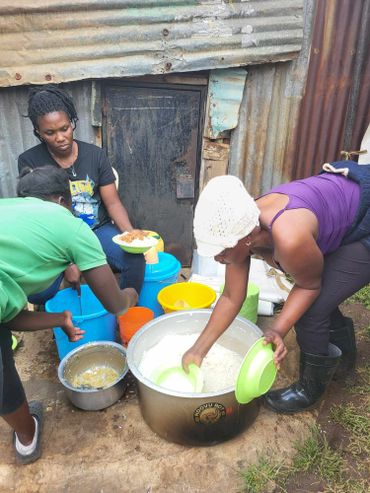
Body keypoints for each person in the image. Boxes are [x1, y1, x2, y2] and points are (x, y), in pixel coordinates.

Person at [182, 162, 370, 414]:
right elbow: (230, 296)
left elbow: (309, 286)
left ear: (247, 237)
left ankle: (309, 389)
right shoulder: (241, 227)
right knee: (326, 292)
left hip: (364, 218)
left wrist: (277, 329)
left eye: (220, 250)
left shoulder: (289, 237)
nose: (217, 258)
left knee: (311, 310)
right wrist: (197, 350)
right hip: (345, 208)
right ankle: (344, 359)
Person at [0, 166, 138, 464]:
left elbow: (6, 317)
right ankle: (26, 437)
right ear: (63, 201)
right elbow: (116, 306)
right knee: (3, 380)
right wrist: (131, 295)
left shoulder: (7, 209)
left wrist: (59, 319)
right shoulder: (72, 226)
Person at [18, 84, 145, 303]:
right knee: (38, 292)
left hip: (96, 230)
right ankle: (62, 318)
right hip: (55, 238)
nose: (60, 137)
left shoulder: (95, 155)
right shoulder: (30, 161)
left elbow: (113, 203)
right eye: (50, 132)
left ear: (73, 123)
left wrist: (131, 236)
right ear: (38, 132)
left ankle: (125, 313)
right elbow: (36, 217)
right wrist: (69, 262)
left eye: (64, 128)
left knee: (134, 260)